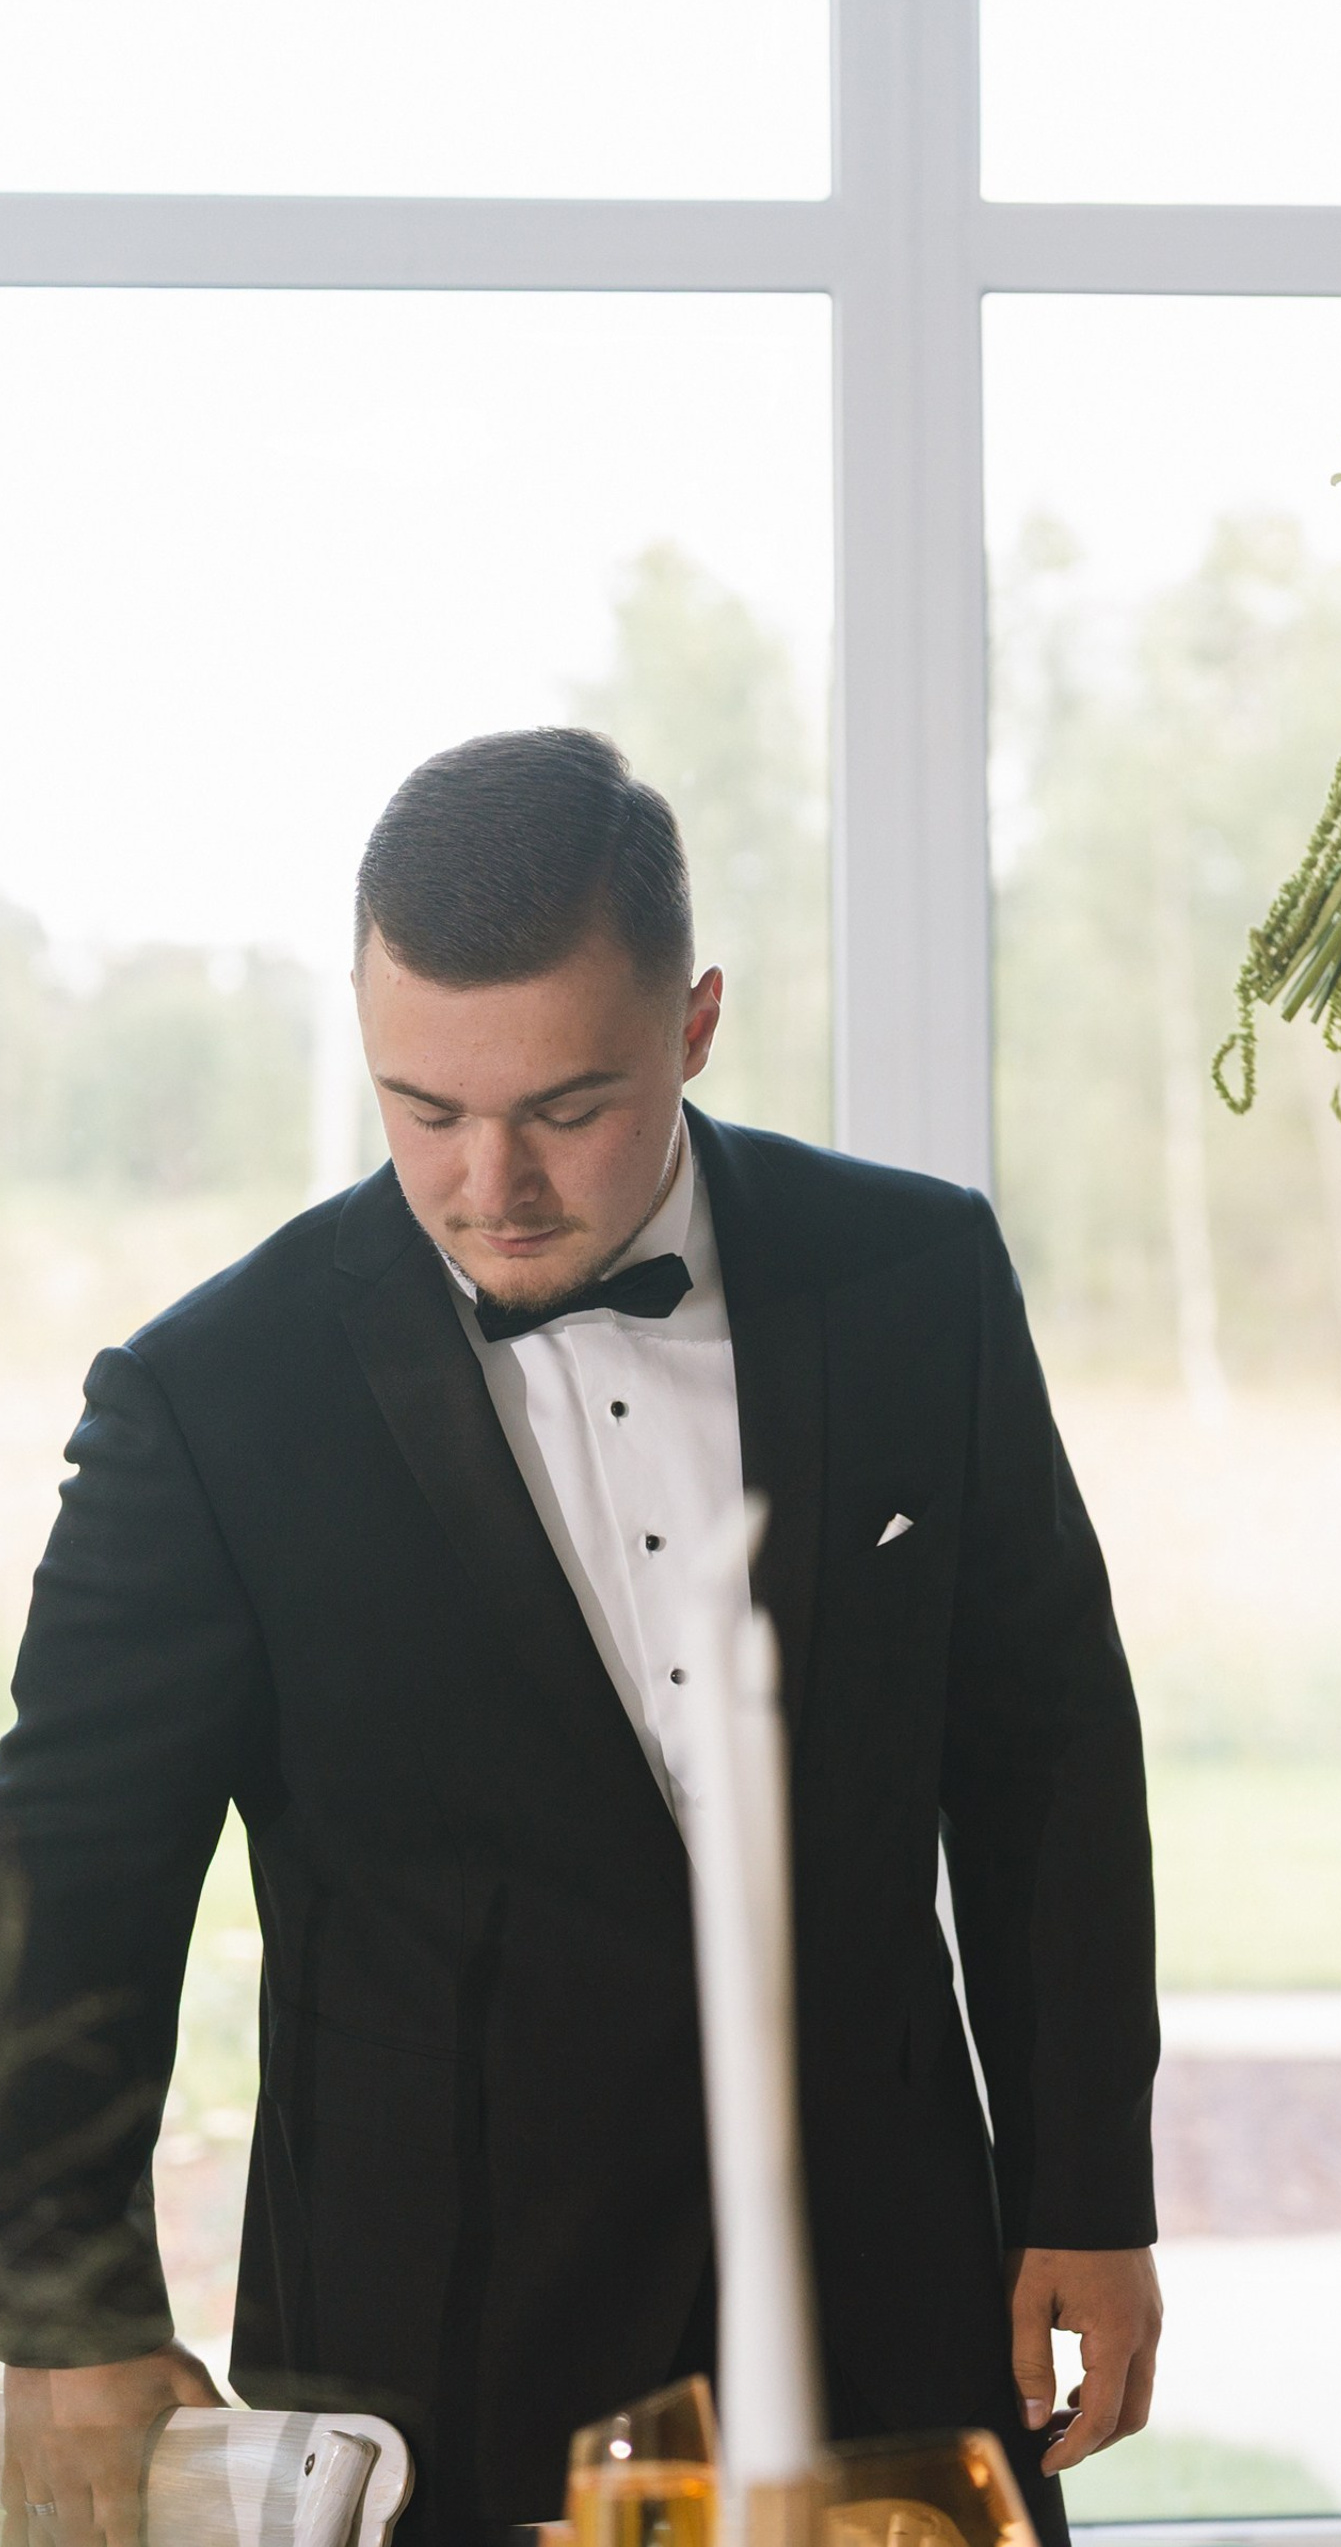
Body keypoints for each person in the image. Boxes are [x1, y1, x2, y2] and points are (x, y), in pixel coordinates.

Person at [0, 730, 1161, 2547]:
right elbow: (66, 1883)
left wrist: (1087, 2184)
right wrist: (64, 2321)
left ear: (694, 1022)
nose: (489, 1185)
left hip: (894, 2306)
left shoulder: (916, 1279)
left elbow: (1046, 1751)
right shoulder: (210, 1402)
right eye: (425, 1110)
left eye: (564, 1108)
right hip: (438, 2358)